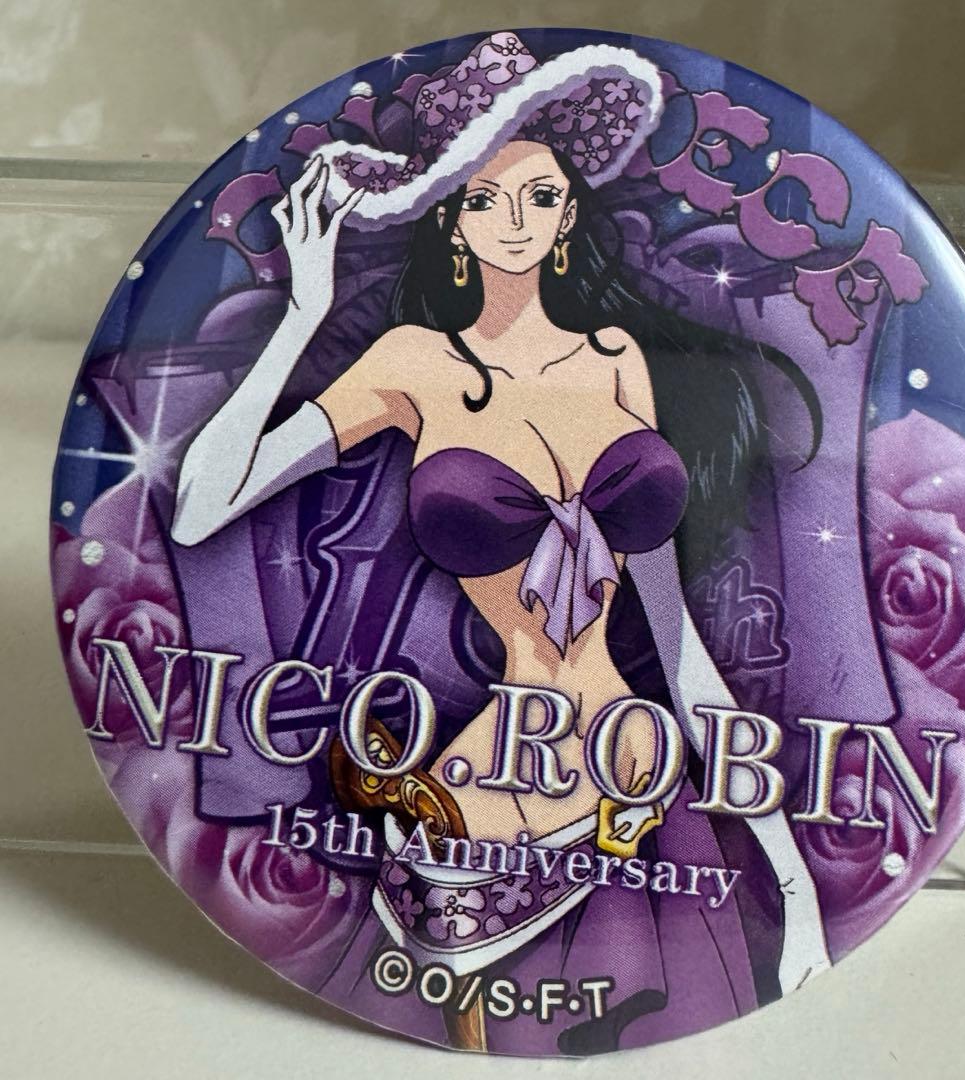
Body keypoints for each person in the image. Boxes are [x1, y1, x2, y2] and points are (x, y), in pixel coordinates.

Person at [171, 31, 829, 1054]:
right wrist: (301, 316)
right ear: (452, 218)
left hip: (637, 767)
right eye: (486, 198)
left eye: (539, 196)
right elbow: (200, 508)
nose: (514, 221)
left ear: (569, 215)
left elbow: (674, 635)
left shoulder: (615, 359)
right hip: (496, 787)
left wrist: (793, 884)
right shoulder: (415, 363)